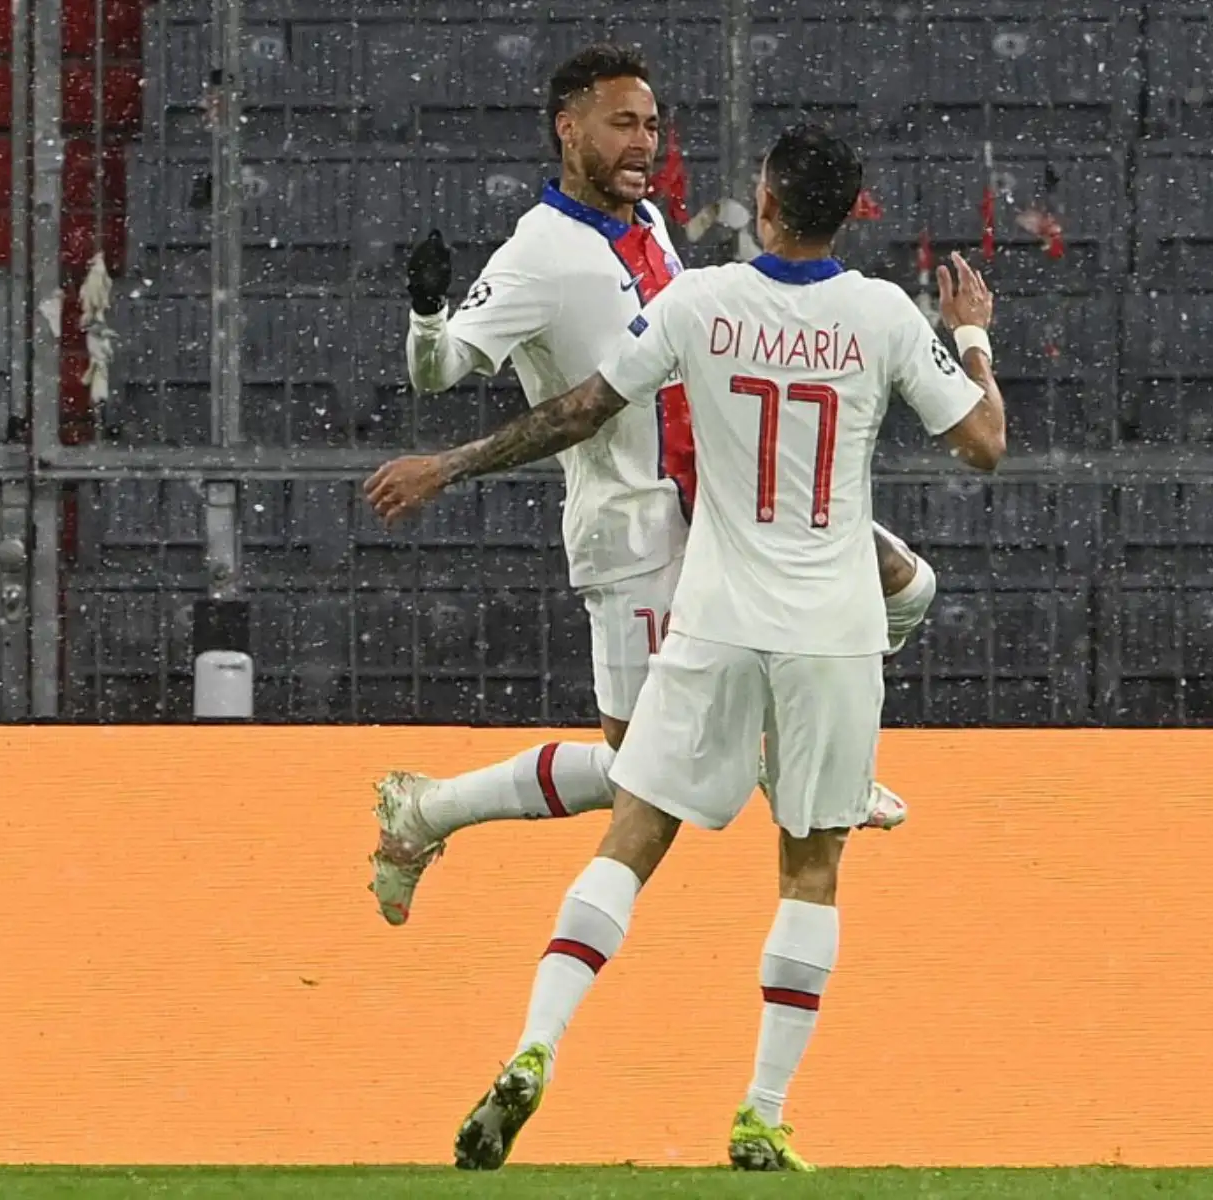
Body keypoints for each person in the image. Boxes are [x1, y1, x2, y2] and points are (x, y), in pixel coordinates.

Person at [366, 125, 1006, 1171]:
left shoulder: (699, 300)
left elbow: (576, 409)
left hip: (713, 615)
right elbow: (984, 443)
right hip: (832, 634)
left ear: (764, 201)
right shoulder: (882, 313)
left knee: (633, 833)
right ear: (848, 212)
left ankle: (534, 1048)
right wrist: (971, 335)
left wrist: (453, 463)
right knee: (810, 868)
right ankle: (760, 1112)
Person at [370, 43, 938, 927]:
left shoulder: (650, 226)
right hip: (631, 529)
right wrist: (426, 311)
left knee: (904, 586)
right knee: (644, 773)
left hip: (714, 507)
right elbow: (439, 373)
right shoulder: (537, 251)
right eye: (623, 123)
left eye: (653, 125)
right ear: (569, 128)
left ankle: (810, 760)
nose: (645, 141)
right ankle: (429, 811)